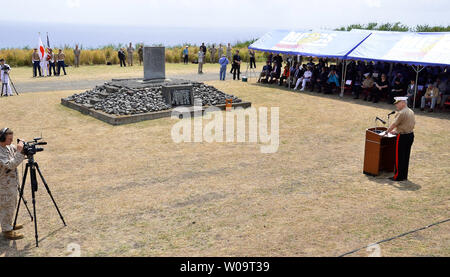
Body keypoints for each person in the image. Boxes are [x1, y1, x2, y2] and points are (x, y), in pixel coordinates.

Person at [0, 128, 25, 240]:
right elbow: (11, 165)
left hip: (10, 184)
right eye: (9, 139)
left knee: (11, 204)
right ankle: (7, 230)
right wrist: (20, 152)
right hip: (3, 185)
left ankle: (8, 224)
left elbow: (16, 149)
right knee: (6, 206)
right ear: (2, 138)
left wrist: (24, 147)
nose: (11, 141)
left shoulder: (8, 147)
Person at [385, 97, 415, 182]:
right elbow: (409, 124)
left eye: (397, 103)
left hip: (402, 137)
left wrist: (387, 131)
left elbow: (394, 124)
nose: (396, 105)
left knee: (399, 157)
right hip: (410, 135)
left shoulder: (401, 113)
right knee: (405, 157)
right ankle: (404, 175)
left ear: (403, 103)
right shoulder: (410, 111)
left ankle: (398, 176)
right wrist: (397, 131)